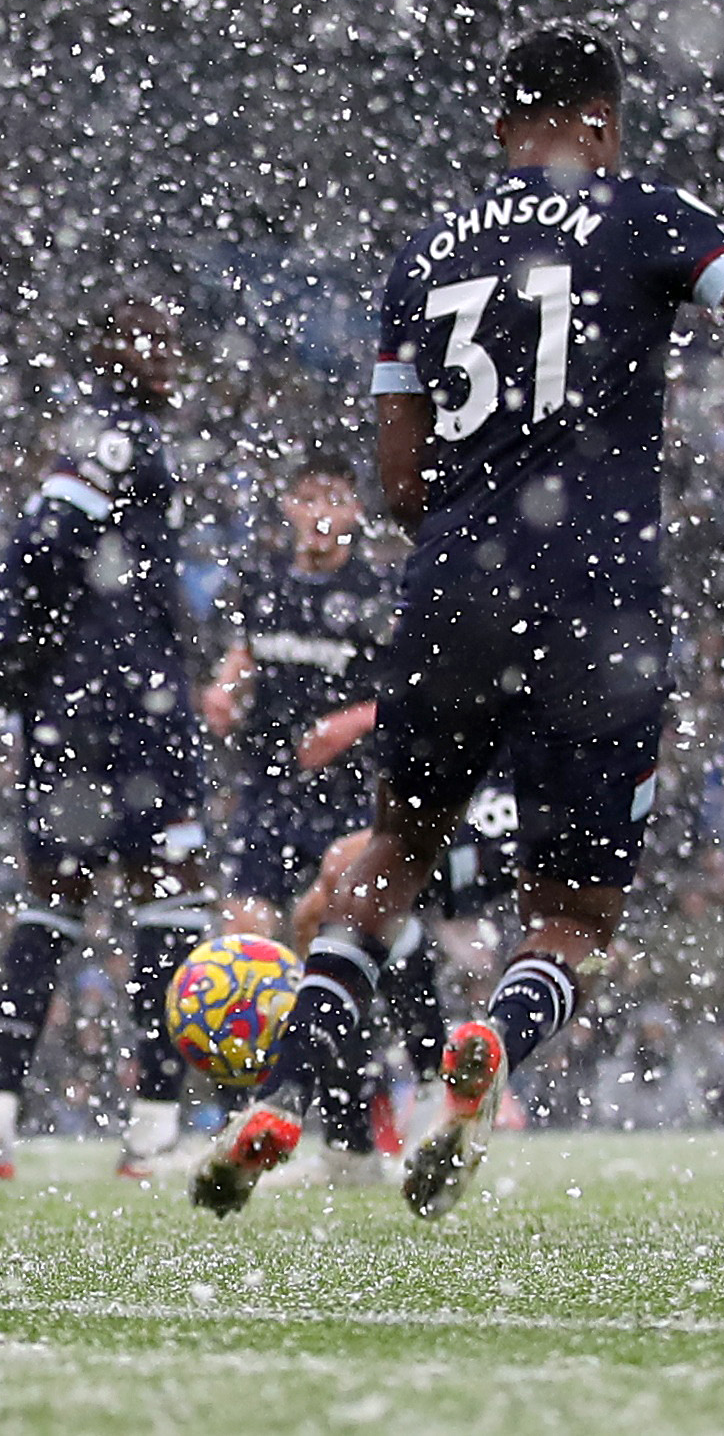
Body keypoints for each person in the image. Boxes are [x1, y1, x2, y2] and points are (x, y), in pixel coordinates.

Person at [193, 19, 724, 1218]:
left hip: (453, 586)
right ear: (606, 123)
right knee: (569, 911)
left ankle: (291, 1086)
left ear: (499, 126)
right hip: (597, 600)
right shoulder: (645, 212)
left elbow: (400, 483)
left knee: (391, 855)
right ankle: (490, 1045)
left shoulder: (425, 254)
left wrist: (479, 515)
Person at [0, 298, 216, 1182]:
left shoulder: (92, 436)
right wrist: (18, 655)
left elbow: (41, 551)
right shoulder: (122, 437)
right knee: (167, 895)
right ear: (110, 351)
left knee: (54, 903)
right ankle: (151, 1123)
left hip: (81, 705)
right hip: (127, 710)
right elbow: (42, 545)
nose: (168, 357)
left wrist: (19, 670)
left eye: (172, 341)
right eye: (150, 339)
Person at [196, 454, 434, 1187]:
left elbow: (409, 688)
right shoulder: (262, 581)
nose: (321, 512)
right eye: (308, 498)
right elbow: (243, 653)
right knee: (242, 942)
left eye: (334, 497)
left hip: (347, 801)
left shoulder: (376, 590)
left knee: (336, 937)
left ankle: (371, 1112)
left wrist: (348, 723)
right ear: (289, 507)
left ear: (356, 511)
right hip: (269, 794)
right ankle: (247, 1116)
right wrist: (224, 690)